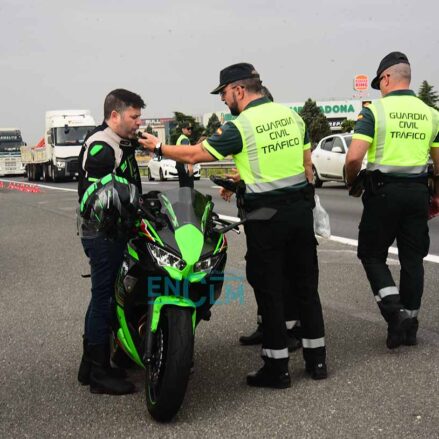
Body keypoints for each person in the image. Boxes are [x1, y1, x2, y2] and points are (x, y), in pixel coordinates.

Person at [138, 63, 327, 388]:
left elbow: (196, 155)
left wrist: (157, 147)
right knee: (306, 287)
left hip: (267, 218)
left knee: (270, 290)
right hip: (300, 211)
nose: (224, 101)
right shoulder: (293, 117)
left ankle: (277, 368)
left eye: (224, 94)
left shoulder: (241, 125)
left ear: (239, 90)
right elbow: (305, 165)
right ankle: (317, 362)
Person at [345, 52, 439, 349]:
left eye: (379, 82)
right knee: (413, 259)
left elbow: (355, 156)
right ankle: (409, 326)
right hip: (417, 193)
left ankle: (394, 313)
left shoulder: (375, 111)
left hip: (383, 193)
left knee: (372, 255)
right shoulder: (431, 114)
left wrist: (352, 180)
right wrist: (434, 194)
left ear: (386, 78)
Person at [77, 88, 145, 395]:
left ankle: (90, 364)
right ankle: (98, 373)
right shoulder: (103, 147)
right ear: (114, 115)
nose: (138, 121)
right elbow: (98, 197)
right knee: (104, 298)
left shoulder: (121, 143)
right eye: (134, 116)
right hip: (104, 233)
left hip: (115, 231)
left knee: (112, 294)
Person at [224, 86, 301, 352]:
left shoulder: (257, 124)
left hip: (273, 212)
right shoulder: (262, 126)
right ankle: (267, 325)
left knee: (278, 274)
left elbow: (274, 170)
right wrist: (236, 179)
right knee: (259, 271)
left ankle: (286, 330)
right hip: (259, 212)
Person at [176, 121, 195, 188]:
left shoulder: (180, 138)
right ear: (183, 129)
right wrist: (189, 166)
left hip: (180, 165)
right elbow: (186, 153)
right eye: (188, 128)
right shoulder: (184, 139)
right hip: (185, 166)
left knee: (183, 188)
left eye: (191, 128)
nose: (190, 130)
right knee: (189, 188)